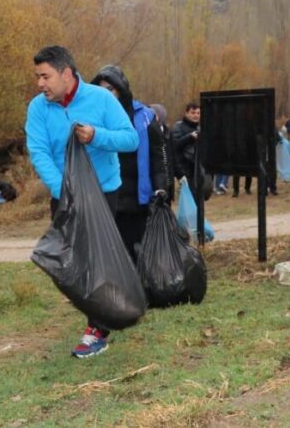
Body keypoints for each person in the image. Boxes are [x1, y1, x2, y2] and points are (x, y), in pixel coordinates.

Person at [24, 46, 138, 358]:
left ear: (66, 73)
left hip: (103, 192)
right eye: (38, 77)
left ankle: (98, 328)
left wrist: (96, 135)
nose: (40, 84)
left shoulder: (101, 99)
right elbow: (39, 151)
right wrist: (63, 191)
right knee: (73, 261)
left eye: (45, 76)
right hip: (64, 197)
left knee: (97, 259)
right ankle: (103, 308)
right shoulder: (38, 108)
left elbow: (130, 139)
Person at [90, 65, 168, 263]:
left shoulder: (144, 118)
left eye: (110, 89)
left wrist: (160, 187)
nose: (106, 94)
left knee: (137, 250)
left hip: (136, 200)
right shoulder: (92, 119)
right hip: (106, 196)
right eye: (101, 89)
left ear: (121, 90)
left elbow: (157, 156)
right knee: (109, 253)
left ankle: (140, 289)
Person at [171, 102, 209, 201]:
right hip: (185, 172)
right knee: (189, 203)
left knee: (200, 201)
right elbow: (175, 146)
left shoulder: (200, 128)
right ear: (186, 113)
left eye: (198, 113)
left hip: (199, 171)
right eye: (193, 113)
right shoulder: (178, 127)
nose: (196, 115)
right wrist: (190, 137)